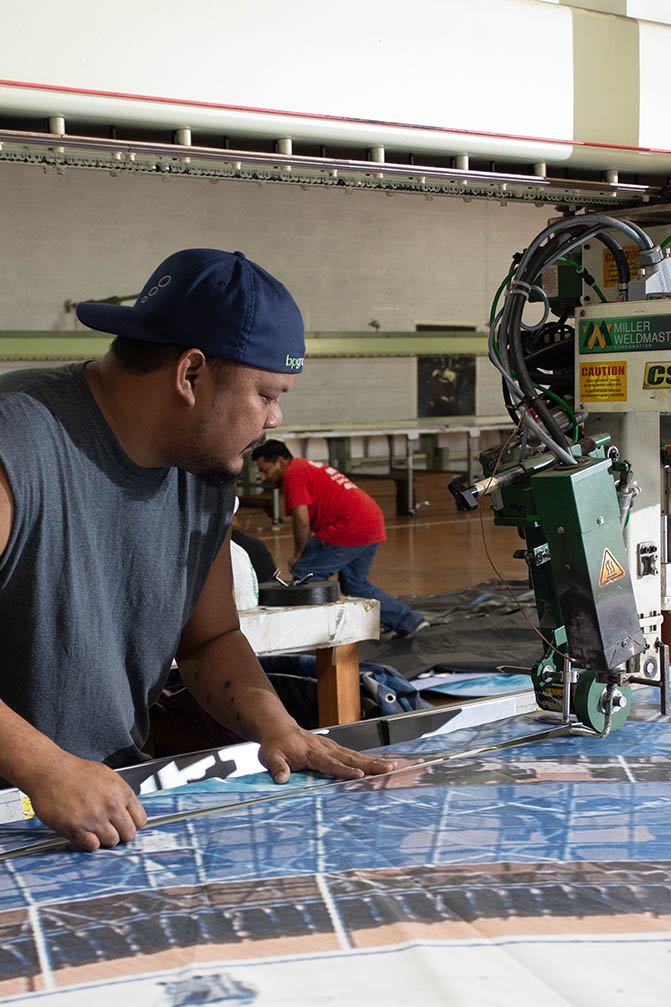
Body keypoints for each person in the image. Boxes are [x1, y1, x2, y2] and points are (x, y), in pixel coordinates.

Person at [0, 248, 395, 852]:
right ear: (189, 374)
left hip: (104, 806)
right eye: (266, 393)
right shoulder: (17, 446)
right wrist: (45, 769)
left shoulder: (204, 473)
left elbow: (208, 642)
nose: (276, 417)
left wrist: (280, 729)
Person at [251, 441, 428, 637]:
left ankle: (315, 634)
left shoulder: (294, 474)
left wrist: (297, 554)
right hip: (369, 522)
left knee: (306, 574)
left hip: (349, 527)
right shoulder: (304, 466)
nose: (263, 477)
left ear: (281, 461)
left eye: (265, 470)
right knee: (356, 585)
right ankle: (409, 620)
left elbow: (302, 521)